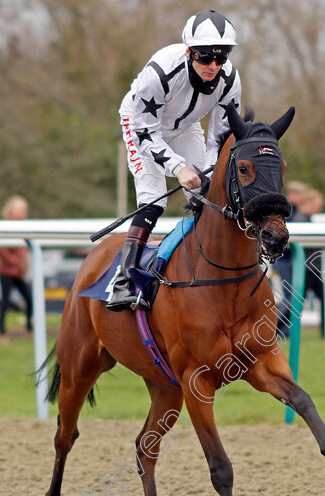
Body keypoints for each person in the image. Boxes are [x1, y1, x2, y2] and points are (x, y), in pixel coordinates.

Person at [107, 9, 242, 311]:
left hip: (185, 126)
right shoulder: (160, 73)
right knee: (155, 199)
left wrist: (205, 175)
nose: (213, 66)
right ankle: (124, 280)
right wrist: (178, 167)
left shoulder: (230, 79)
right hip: (141, 124)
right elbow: (146, 132)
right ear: (189, 51)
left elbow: (219, 138)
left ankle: (207, 268)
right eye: (205, 57)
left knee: (206, 194)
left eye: (221, 58)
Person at [273, 182, 325, 338]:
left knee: (294, 299)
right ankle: (276, 329)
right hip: (286, 261)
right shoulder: (289, 212)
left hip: (292, 261)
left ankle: (283, 331)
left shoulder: (294, 212)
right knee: (292, 298)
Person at [0, 196, 33, 345]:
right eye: (20, 208)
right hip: (6, 272)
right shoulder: (7, 225)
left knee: (30, 300)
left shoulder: (24, 226)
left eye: (24, 209)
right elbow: (0, 249)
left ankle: (29, 329)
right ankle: (2, 333)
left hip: (20, 273)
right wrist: (14, 263)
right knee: (5, 302)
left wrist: (23, 265)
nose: (23, 212)